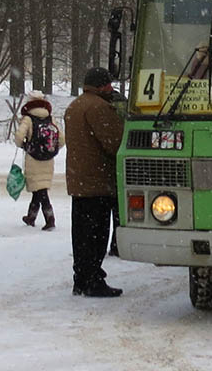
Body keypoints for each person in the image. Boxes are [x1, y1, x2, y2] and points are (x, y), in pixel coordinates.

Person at [64, 66, 125, 297]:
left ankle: (81, 279)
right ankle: (93, 280)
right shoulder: (99, 107)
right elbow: (115, 142)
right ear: (101, 85)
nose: (112, 88)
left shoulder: (75, 105)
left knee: (80, 235)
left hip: (79, 180)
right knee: (97, 234)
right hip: (98, 181)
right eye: (109, 84)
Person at [15, 91, 64, 230]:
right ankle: (31, 217)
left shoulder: (28, 118)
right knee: (39, 189)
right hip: (48, 159)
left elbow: (19, 137)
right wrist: (52, 149)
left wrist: (25, 146)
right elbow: (62, 139)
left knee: (41, 190)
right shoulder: (50, 118)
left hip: (33, 158)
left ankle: (50, 219)